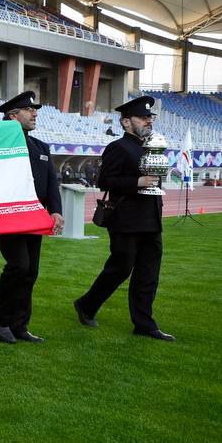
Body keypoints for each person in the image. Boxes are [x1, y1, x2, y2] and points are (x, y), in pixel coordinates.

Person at [73, 95, 174, 342]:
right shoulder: (118, 147)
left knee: (149, 274)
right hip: (125, 219)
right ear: (127, 122)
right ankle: (87, 304)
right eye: (143, 117)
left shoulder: (153, 146)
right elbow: (104, 181)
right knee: (121, 268)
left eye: (150, 117)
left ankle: (144, 324)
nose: (148, 121)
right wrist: (137, 182)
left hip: (151, 219)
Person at [0, 92, 63, 344]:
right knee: (18, 266)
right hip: (8, 217)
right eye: (29, 110)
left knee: (31, 271)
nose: (35, 113)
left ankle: (20, 325)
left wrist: (56, 210)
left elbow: (52, 181)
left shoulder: (41, 147)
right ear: (12, 116)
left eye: (35, 110)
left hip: (35, 218)